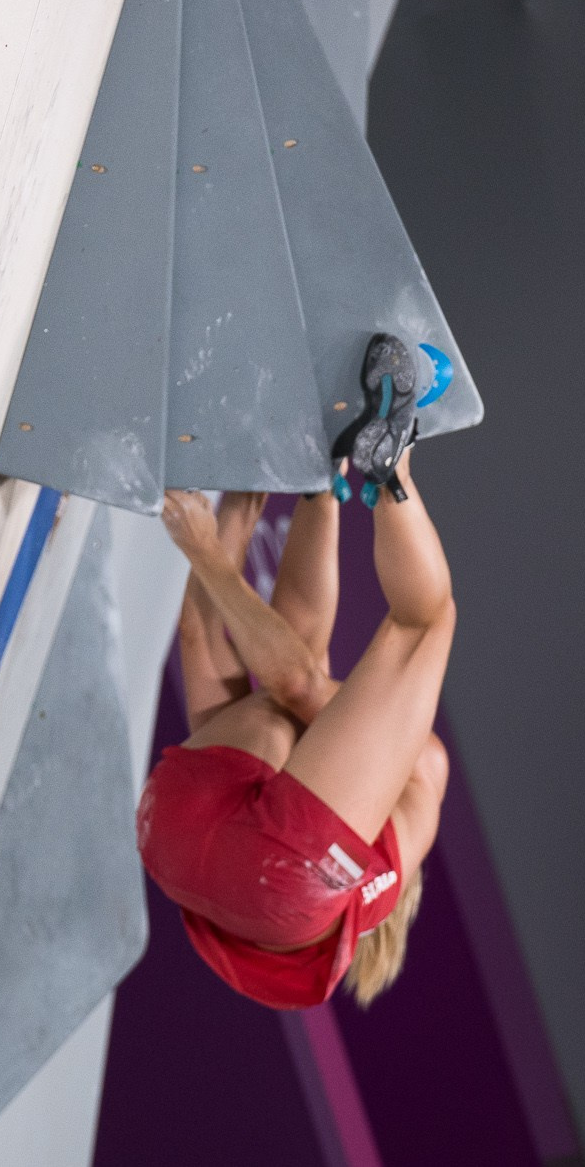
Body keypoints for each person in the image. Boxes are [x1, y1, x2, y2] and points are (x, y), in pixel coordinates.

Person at [137, 335, 454, 1009]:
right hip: (166, 839)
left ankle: (390, 464)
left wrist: (209, 549)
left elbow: (300, 682)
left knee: (423, 625)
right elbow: (203, 632)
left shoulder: (411, 809)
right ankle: (325, 482)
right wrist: (251, 486)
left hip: (277, 878)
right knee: (288, 704)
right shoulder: (299, 828)